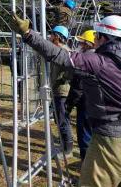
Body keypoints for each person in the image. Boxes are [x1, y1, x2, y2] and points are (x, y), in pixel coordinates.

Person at [10, 14, 121, 186]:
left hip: (109, 142)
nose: (95, 41)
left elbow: (58, 55)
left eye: (96, 36)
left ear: (105, 38)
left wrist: (28, 33)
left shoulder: (97, 62)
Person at [65, 30, 95, 161]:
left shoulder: (84, 61)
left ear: (88, 44)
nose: (79, 45)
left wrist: (68, 106)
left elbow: (78, 88)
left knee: (85, 138)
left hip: (86, 105)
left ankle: (86, 169)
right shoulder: (102, 58)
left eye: (82, 43)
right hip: (99, 106)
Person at [49, 25, 74, 155]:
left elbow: (71, 71)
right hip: (58, 90)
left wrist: (63, 79)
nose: (50, 36)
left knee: (63, 119)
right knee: (59, 118)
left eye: (52, 34)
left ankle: (67, 149)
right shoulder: (58, 50)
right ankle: (64, 143)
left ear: (57, 37)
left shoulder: (63, 51)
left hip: (62, 91)